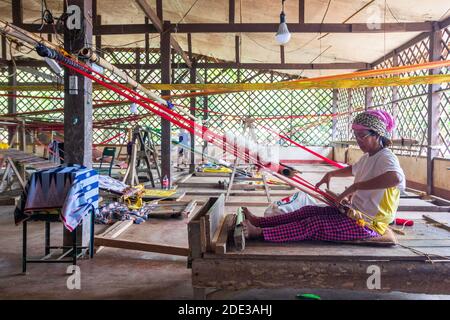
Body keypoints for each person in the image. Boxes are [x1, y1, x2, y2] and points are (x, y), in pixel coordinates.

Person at [243, 110, 405, 242]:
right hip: (355, 214)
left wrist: (355, 187)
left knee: (315, 224)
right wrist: (331, 174)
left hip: (370, 225)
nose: (358, 141)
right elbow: (353, 169)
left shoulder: (386, 157)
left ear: (377, 135)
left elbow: (395, 178)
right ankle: (259, 222)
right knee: (307, 211)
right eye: (356, 136)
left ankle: (260, 233)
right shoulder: (368, 156)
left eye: (362, 136)